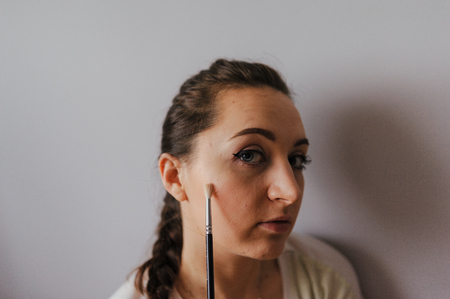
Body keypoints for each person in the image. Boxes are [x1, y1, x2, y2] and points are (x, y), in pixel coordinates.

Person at [109, 59, 363, 299]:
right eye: (250, 155)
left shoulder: (325, 277)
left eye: (296, 160)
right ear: (175, 177)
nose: (291, 191)